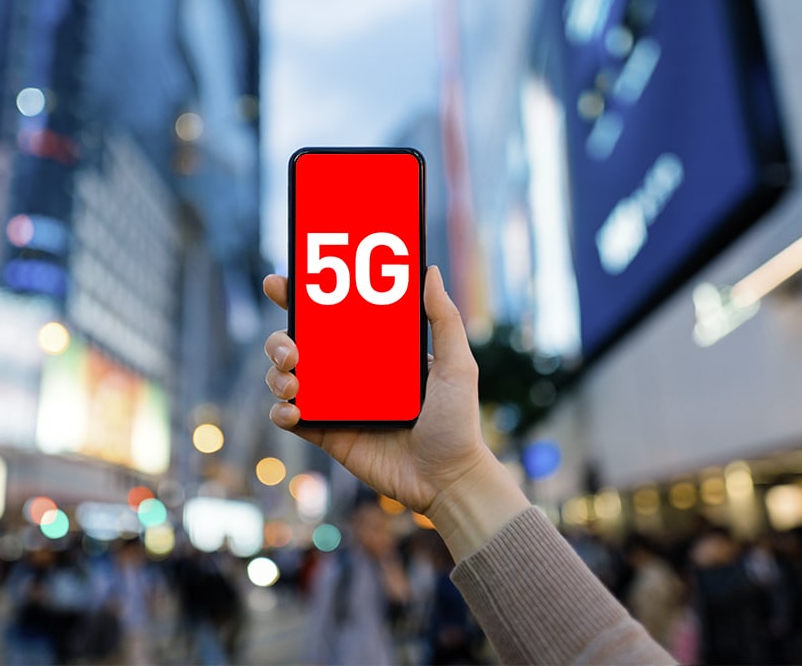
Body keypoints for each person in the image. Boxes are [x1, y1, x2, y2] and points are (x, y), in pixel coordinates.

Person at [263, 266, 674, 665]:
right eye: (371, 524)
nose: (379, 531)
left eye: (379, 523)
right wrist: (458, 481)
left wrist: (457, 478)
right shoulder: (343, 572)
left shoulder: (390, 562)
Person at [306, 491, 411, 665]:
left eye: (382, 526)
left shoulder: (386, 562)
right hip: (346, 655)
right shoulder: (340, 565)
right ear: (356, 525)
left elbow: (403, 599)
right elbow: (322, 621)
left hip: (381, 655)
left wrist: (387, 559)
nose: (378, 534)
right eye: (372, 526)